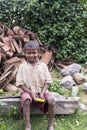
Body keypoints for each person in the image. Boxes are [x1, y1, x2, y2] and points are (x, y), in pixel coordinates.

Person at [16, 40, 55, 130]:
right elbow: (20, 83)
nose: (31, 55)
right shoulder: (22, 67)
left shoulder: (43, 66)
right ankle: (27, 124)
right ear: (25, 54)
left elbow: (47, 81)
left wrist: (42, 92)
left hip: (42, 91)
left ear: (38, 53)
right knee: (26, 100)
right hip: (27, 91)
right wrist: (30, 92)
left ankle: (50, 124)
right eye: (28, 53)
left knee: (52, 100)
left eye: (34, 52)